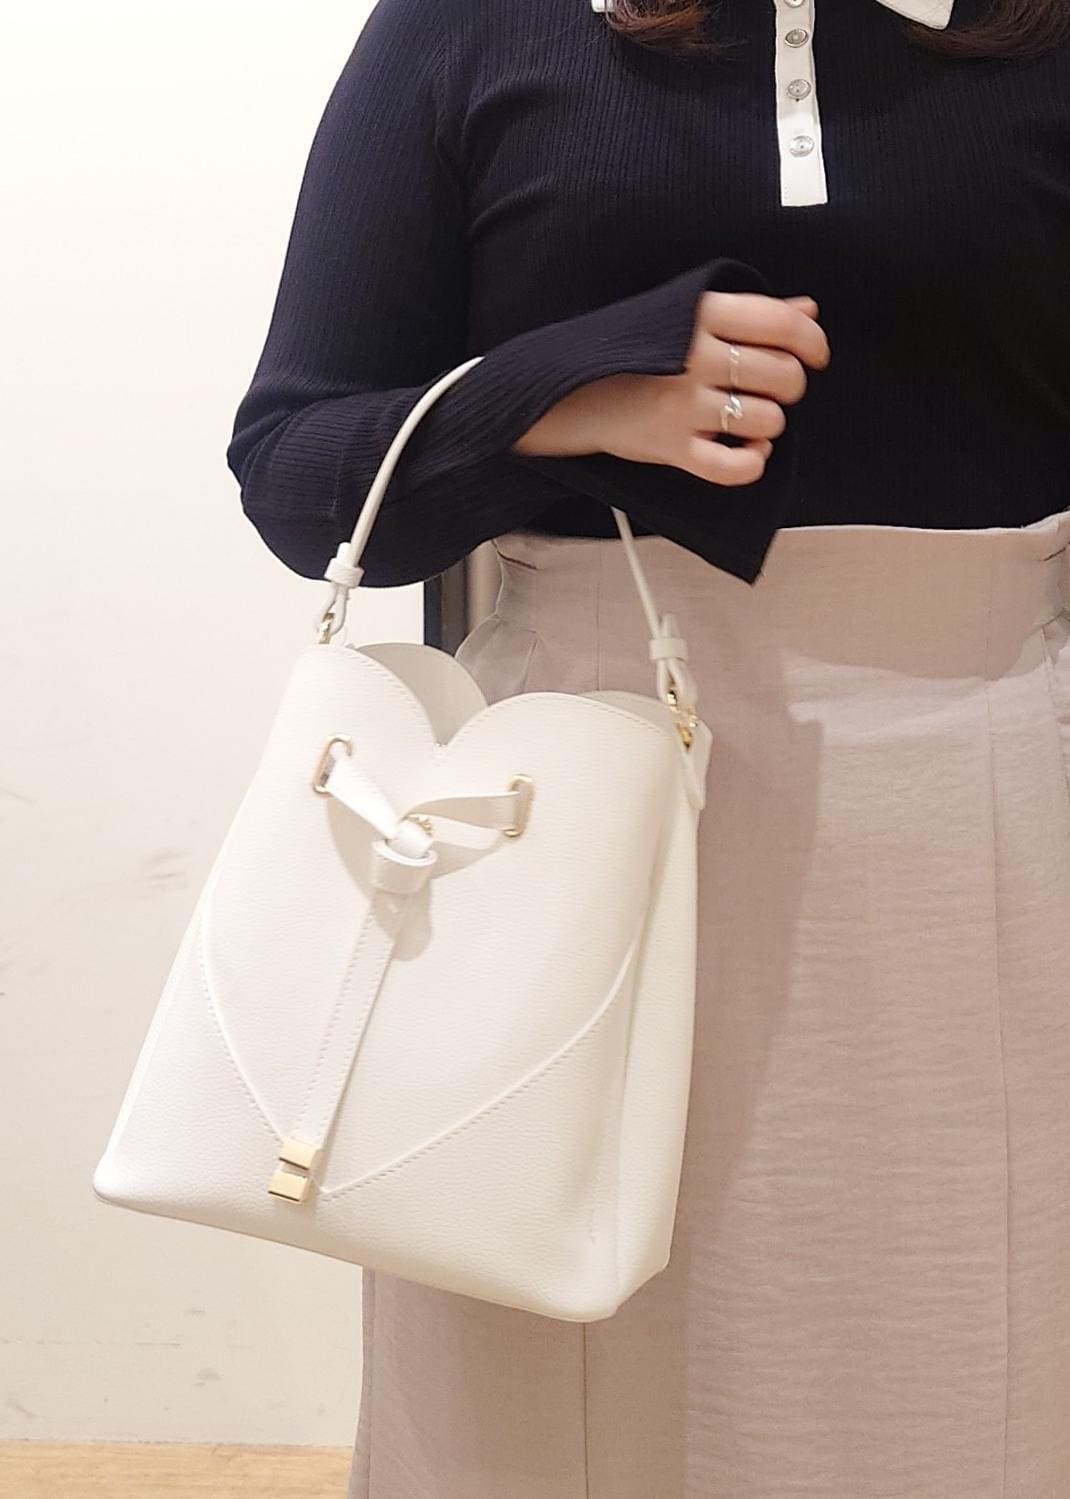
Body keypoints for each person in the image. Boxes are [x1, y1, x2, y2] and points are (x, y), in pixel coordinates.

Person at [225, 0, 1070, 1492]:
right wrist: (561, 395)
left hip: (986, 802)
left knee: (967, 1336)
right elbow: (297, 468)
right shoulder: (472, 27)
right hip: (558, 806)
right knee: (539, 1360)